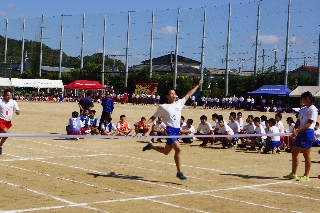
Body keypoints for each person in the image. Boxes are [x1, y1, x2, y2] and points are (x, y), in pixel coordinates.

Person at [142, 81, 202, 180]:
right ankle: (179, 172)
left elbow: (189, 94)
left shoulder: (179, 103)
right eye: (171, 93)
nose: (174, 95)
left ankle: (151, 146)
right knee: (178, 149)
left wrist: (197, 85)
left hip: (177, 131)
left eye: (174, 93)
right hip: (169, 131)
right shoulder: (163, 107)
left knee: (165, 152)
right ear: (167, 96)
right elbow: (154, 117)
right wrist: (147, 123)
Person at [284, 91, 318, 181]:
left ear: (307, 99)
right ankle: (293, 173)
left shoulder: (313, 109)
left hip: (308, 132)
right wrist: (294, 129)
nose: (301, 100)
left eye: (302, 98)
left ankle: (306, 175)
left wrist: (297, 130)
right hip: (300, 132)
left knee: (306, 155)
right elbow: (299, 121)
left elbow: (309, 123)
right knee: (294, 152)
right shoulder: (303, 109)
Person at [0, 89, 20, 155]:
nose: (9, 96)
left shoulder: (13, 102)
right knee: (7, 134)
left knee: (1, 135)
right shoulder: (0, 101)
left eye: (10, 95)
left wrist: (17, 112)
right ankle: (0, 146)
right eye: (7, 95)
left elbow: (17, 110)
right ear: (4, 95)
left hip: (8, 122)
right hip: (1, 121)